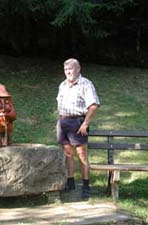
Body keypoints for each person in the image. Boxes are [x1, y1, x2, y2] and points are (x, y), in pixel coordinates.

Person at [56, 58, 100, 199]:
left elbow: (93, 105)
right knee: (68, 154)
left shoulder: (85, 84)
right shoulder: (62, 85)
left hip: (78, 122)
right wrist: (60, 122)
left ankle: (86, 186)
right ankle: (71, 183)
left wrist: (85, 124)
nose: (68, 72)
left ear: (78, 68)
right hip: (63, 122)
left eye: (71, 68)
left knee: (81, 155)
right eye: (66, 69)